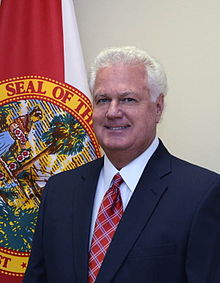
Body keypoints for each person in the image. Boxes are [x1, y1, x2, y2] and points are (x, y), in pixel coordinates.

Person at [24, 46, 220, 283]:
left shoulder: (203, 193)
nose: (113, 112)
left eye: (128, 99)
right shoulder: (60, 190)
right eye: (103, 100)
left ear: (158, 107)